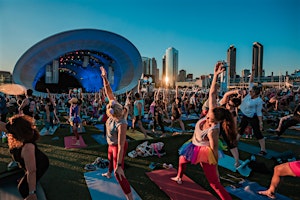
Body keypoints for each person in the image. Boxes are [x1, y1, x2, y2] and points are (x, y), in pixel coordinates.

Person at [171, 62, 235, 200]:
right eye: (208, 116)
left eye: (209, 118)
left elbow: (214, 150)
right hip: (194, 145)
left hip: (206, 152)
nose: (207, 117)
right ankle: (179, 177)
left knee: (214, 184)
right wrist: (216, 75)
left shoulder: (213, 131)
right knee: (181, 160)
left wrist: (215, 168)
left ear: (216, 122)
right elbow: (212, 93)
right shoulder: (212, 111)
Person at [100, 66, 133, 200]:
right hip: (110, 145)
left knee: (118, 173)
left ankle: (130, 197)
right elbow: (109, 92)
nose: (109, 104)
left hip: (118, 147)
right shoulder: (115, 108)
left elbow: (120, 146)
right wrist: (105, 78)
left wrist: (119, 165)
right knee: (109, 159)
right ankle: (108, 173)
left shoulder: (121, 124)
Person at [0, 114, 49, 200]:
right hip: (29, 164)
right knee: (26, 172)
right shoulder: (16, 132)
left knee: (23, 188)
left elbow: (32, 171)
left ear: (18, 131)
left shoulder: (27, 147)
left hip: (40, 164)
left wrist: (32, 193)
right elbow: (4, 126)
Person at [237, 66, 267, 156]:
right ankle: (234, 144)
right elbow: (251, 81)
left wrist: (261, 122)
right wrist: (253, 72)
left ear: (255, 93)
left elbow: (259, 113)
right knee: (240, 130)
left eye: (251, 92)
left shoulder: (258, 101)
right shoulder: (250, 94)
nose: (249, 92)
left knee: (257, 132)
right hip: (245, 115)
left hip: (252, 117)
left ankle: (263, 150)